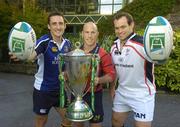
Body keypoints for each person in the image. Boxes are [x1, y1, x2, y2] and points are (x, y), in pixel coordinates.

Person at [9, 12, 72, 127]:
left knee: (68, 119)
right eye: (54, 24)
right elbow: (32, 54)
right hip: (43, 91)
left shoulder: (68, 44)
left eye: (60, 23)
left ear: (65, 25)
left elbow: (68, 66)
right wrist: (22, 55)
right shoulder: (44, 42)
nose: (58, 27)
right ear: (49, 26)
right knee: (41, 121)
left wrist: (66, 73)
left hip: (60, 90)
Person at [110, 12, 156, 127]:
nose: (119, 31)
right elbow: (115, 69)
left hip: (142, 94)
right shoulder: (113, 45)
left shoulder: (144, 44)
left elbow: (158, 56)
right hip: (122, 92)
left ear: (132, 25)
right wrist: (112, 88)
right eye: (117, 28)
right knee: (116, 121)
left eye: (123, 27)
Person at [73, 22, 116, 127]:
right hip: (77, 94)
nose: (89, 35)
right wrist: (65, 75)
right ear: (82, 34)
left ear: (97, 34)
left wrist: (98, 80)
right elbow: (68, 71)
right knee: (77, 124)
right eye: (87, 32)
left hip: (95, 95)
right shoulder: (75, 52)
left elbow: (111, 75)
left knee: (96, 125)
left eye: (93, 32)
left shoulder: (103, 54)